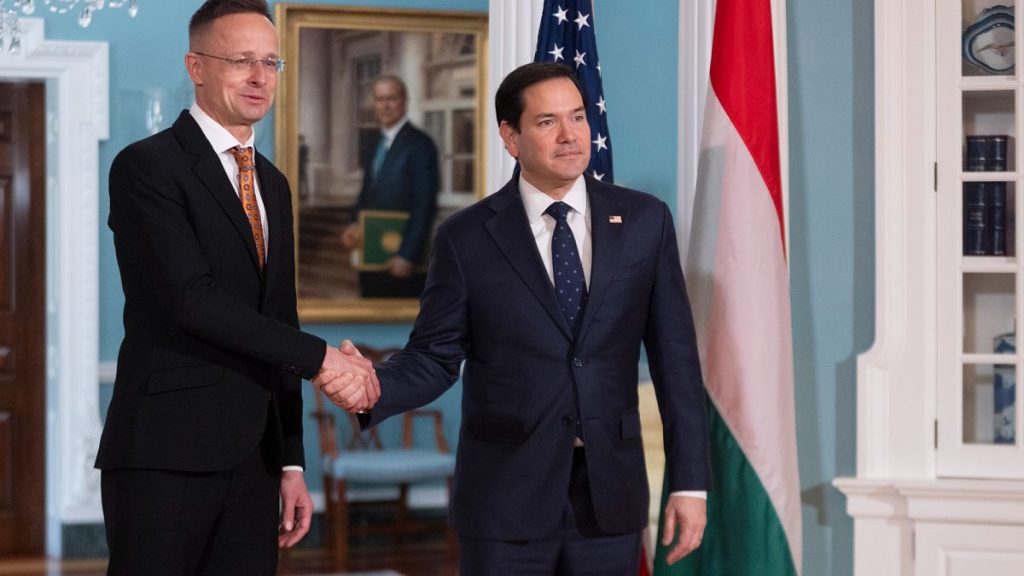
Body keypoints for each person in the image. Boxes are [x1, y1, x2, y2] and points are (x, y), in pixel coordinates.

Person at [320, 62, 710, 574]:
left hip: (610, 498)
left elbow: (675, 361)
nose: (571, 136)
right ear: (511, 136)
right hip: (504, 498)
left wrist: (689, 482)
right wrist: (373, 386)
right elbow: (435, 358)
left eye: (577, 117)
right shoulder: (466, 237)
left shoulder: (644, 221)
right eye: (548, 122)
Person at [95, 1, 375, 574]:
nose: (258, 77)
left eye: (270, 62)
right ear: (196, 66)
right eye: (241, 61)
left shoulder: (272, 183)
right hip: (166, 452)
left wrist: (293, 463)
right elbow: (190, 299)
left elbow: (280, 318)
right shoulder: (145, 167)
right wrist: (323, 360)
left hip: (256, 458)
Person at [340, 75, 440, 298]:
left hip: (400, 259)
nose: (384, 105)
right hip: (370, 252)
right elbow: (367, 193)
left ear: (403, 101)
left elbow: (424, 206)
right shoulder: (374, 142)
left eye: (391, 98)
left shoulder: (420, 144)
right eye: (379, 99)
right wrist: (354, 223)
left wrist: (408, 255)